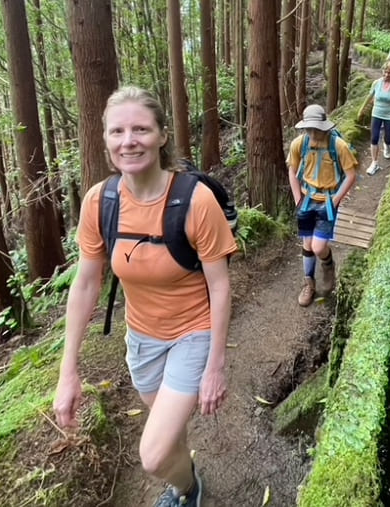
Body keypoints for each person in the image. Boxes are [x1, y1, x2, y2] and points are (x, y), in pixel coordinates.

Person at [54, 86, 236, 507]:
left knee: (153, 454)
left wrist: (215, 366)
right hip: (142, 340)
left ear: (161, 136)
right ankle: (183, 471)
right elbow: (85, 284)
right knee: (167, 429)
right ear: (105, 140)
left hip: (194, 332)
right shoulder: (101, 202)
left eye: (140, 129)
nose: (128, 140)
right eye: (117, 131)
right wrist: (68, 372)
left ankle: (186, 489)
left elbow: (220, 285)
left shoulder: (195, 200)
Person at [287, 104, 358, 307]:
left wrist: (335, 199)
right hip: (306, 200)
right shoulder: (299, 144)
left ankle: (328, 266)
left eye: (316, 128)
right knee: (307, 244)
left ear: (324, 126)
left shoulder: (339, 146)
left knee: (319, 247)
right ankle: (309, 283)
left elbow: (351, 175)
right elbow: (292, 170)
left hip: (327, 202)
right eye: (309, 129)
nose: (313, 133)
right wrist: (296, 198)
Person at [366, 62, 390, 175]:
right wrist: (362, 109)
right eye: (385, 72)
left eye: (389, 72)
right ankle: (374, 163)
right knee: (374, 138)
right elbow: (370, 96)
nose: (387, 74)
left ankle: (387, 146)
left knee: (387, 138)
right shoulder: (376, 83)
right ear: (382, 71)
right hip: (376, 113)